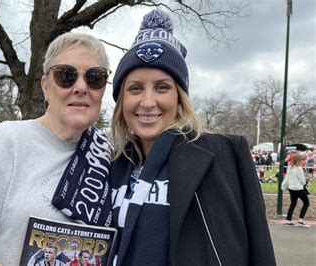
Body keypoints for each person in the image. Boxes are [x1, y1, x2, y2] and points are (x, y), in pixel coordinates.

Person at [108, 10, 275, 265]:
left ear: (180, 97)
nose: (148, 102)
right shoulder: (112, 163)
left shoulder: (226, 153)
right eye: (135, 88)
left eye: (162, 87)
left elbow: (260, 251)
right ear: (122, 100)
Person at [0, 32, 110, 265]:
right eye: (66, 76)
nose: (80, 87)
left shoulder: (110, 154)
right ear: (46, 86)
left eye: (94, 77)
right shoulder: (5, 142)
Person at [284, 154, 311, 227]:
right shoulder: (299, 169)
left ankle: (288, 220)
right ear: (298, 160)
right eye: (302, 159)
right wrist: (306, 180)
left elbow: (288, 178)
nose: (303, 161)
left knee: (293, 203)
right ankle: (300, 220)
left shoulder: (290, 167)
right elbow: (303, 181)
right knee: (306, 203)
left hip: (291, 188)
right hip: (298, 189)